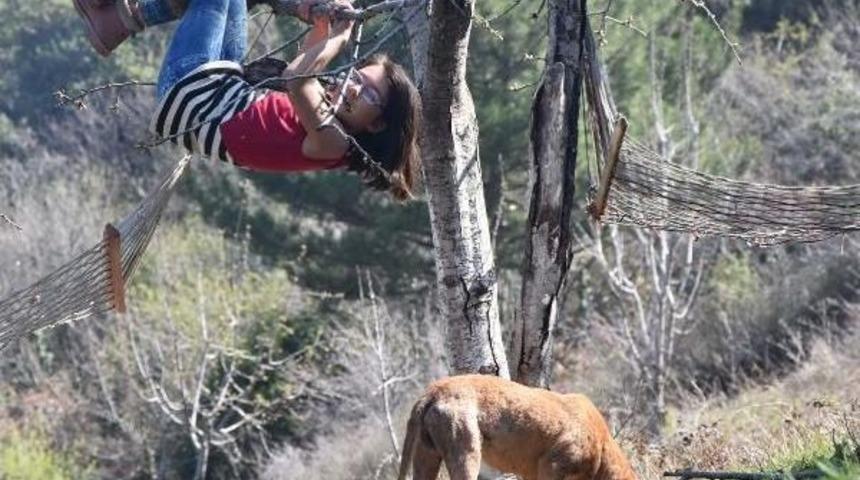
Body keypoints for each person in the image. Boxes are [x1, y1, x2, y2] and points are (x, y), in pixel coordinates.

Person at [72, 0, 422, 200]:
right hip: (221, 83)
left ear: (378, 124)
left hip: (192, 94)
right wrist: (320, 25)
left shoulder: (336, 143)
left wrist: (339, 40)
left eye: (368, 93)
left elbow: (296, 78)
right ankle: (118, 22)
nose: (352, 87)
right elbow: (304, 65)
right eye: (356, 77)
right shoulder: (329, 113)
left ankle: (127, 18)